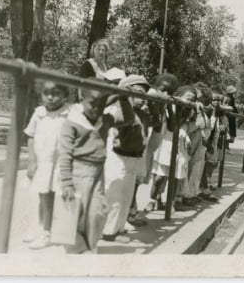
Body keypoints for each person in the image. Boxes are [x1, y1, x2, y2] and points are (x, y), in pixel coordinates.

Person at [102, 75, 159, 242]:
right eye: (138, 94)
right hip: (118, 156)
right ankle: (108, 231)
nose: (141, 100)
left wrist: (154, 103)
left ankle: (118, 228)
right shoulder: (118, 108)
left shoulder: (143, 114)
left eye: (144, 96)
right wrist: (122, 94)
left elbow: (157, 122)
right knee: (114, 195)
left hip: (134, 157)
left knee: (126, 196)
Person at [57, 86, 111, 254]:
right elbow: (65, 153)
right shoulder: (72, 122)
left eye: (102, 104)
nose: (97, 109)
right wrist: (66, 182)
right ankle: (74, 252)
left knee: (97, 211)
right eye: (92, 104)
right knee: (75, 214)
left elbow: (127, 119)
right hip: (77, 171)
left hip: (97, 172)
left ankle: (90, 246)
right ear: (81, 100)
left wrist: (122, 97)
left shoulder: (105, 119)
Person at [23, 81, 71, 249]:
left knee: (56, 197)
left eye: (56, 93)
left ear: (66, 95)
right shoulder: (39, 113)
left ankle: (52, 232)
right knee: (41, 196)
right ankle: (40, 229)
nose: (50, 97)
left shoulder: (70, 113)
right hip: (43, 162)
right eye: (46, 93)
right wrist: (32, 161)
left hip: (60, 163)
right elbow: (30, 136)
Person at [146, 85, 196, 212]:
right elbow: (171, 125)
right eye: (187, 98)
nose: (189, 101)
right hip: (167, 140)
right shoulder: (172, 105)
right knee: (160, 176)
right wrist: (170, 104)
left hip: (178, 142)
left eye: (192, 99)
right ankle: (153, 199)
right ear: (180, 96)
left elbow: (183, 125)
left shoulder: (188, 110)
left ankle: (171, 202)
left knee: (175, 176)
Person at [224, 86, 238, 153]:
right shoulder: (228, 98)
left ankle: (227, 147)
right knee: (228, 132)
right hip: (229, 117)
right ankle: (226, 147)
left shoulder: (231, 97)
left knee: (229, 132)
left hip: (231, 117)